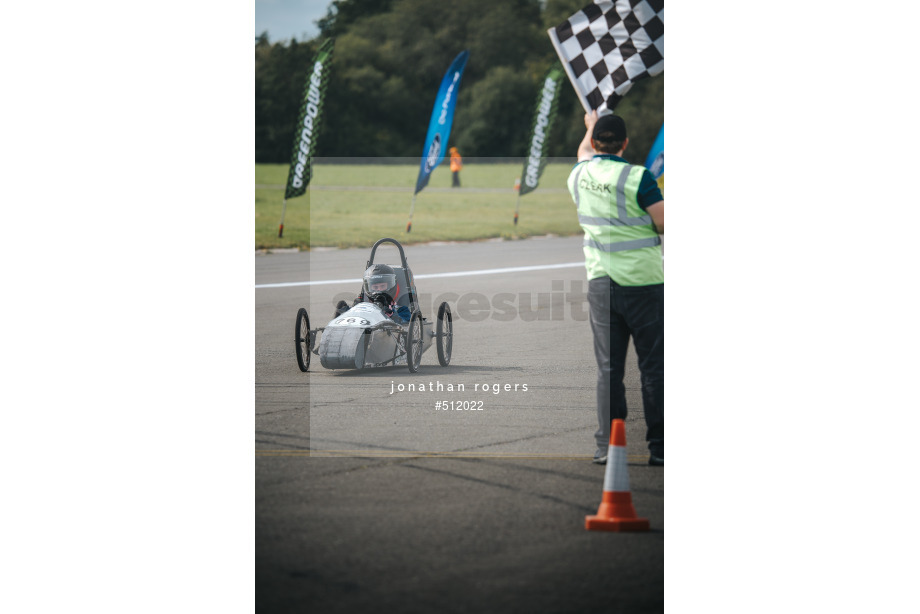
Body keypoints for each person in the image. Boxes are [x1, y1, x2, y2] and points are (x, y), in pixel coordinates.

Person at [568, 110, 664, 467]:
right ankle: (659, 447)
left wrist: (590, 125)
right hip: (644, 283)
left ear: (595, 143)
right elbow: (663, 221)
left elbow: (582, 153)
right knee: (653, 368)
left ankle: (608, 444)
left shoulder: (580, 174)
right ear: (626, 143)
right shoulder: (637, 177)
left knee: (609, 369)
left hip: (602, 284)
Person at [334, 264, 411, 324]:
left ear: (391, 285)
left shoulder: (401, 309)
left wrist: (392, 315)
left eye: (383, 286)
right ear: (369, 288)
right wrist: (346, 313)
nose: (379, 290)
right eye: (375, 287)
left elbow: (406, 324)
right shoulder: (361, 305)